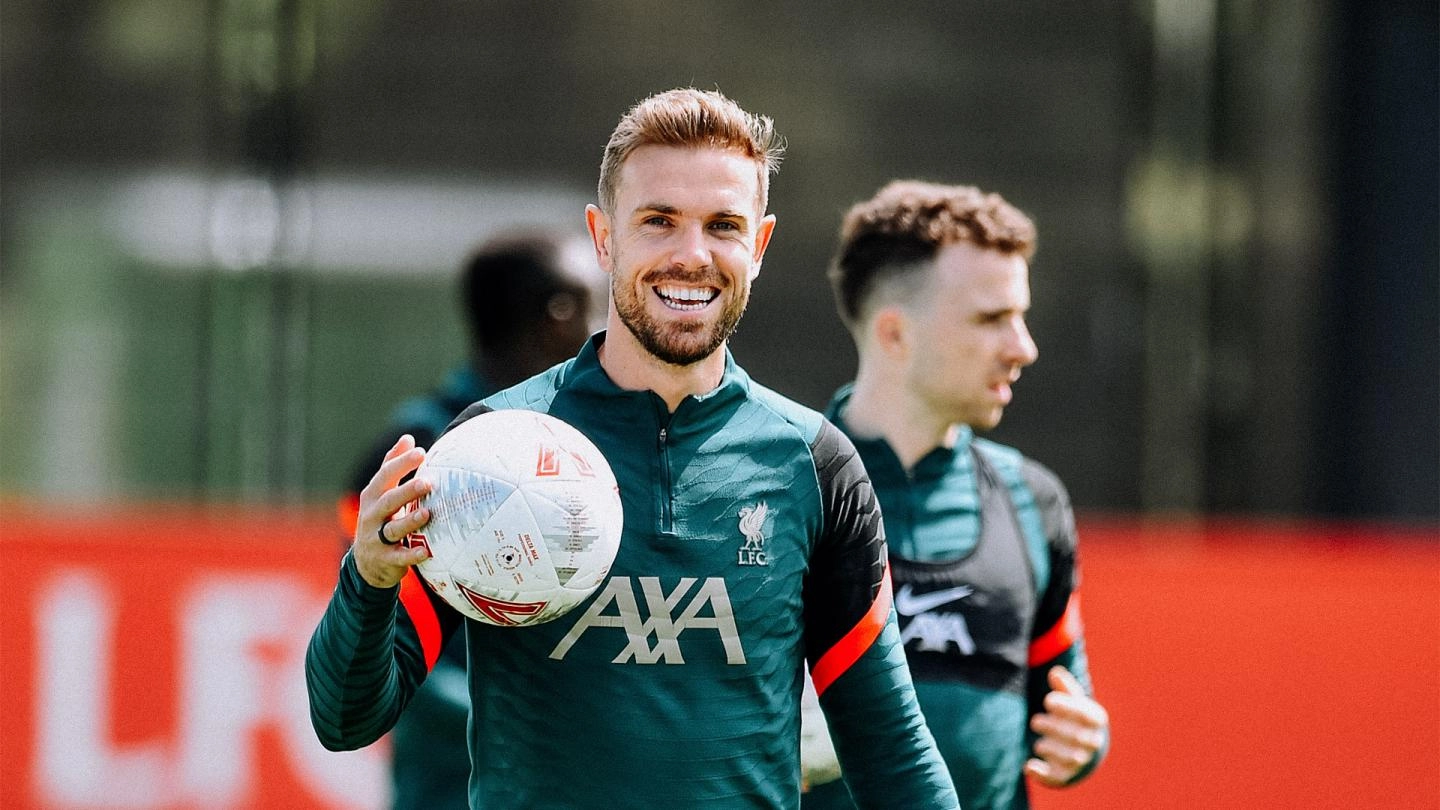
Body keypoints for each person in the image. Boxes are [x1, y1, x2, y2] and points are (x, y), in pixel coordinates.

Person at [306, 88, 959, 809]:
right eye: (659, 221)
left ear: (759, 246)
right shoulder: (489, 450)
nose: (692, 255)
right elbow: (345, 720)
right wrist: (369, 577)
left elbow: (892, 750)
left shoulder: (816, 464)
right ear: (604, 237)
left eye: (723, 226)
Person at [802, 180, 1111, 809]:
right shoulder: (779, 490)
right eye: (992, 319)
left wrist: (1084, 741)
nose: (1023, 347)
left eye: (1020, 317)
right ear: (894, 334)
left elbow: (1063, 699)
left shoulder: (1033, 500)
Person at [335, 230, 607, 810]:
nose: (605, 331)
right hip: (453, 787)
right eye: (596, 308)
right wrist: (526, 718)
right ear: (560, 316)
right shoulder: (413, 453)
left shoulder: (581, 453)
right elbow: (379, 637)